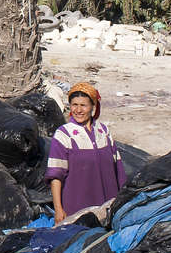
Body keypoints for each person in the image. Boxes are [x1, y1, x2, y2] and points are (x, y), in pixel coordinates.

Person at [47, 81, 125, 225]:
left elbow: (117, 169)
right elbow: (56, 175)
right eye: (74, 105)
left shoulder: (103, 131)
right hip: (77, 208)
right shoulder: (64, 134)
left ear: (93, 107)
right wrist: (58, 209)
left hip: (107, 205)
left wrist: (122, 201)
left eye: (83, 105)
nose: (78, 110)